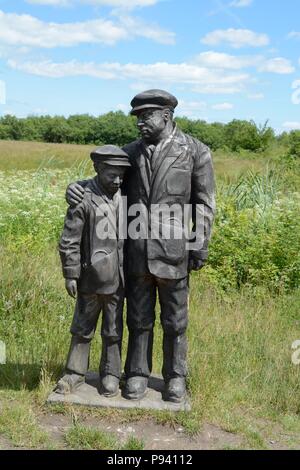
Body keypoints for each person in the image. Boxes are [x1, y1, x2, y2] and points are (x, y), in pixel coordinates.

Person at [66, 89, 215, 403]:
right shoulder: (129, 153)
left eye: (145, 116)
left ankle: (175, 377)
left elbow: (203, 204)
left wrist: (199, 244)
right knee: (138, 318)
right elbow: (103, 181)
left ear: (166, 114)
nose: (139, 124)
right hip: (134, 254)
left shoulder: (195, 152)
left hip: (174, 253)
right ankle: (136, 374)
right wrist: (76, 188)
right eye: (137, 117)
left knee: (175, 321)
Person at [56, 145, 131, 397]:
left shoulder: (127, 196)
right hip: (91, 278)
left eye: (121, 175)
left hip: (119, 279)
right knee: (82, 327)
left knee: (113, 328)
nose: (117, 180)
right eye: (112, 175)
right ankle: (74, 372)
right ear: (98, 169)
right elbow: (70, 239)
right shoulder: (83, 199)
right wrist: (70, 273)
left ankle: (110, 373)